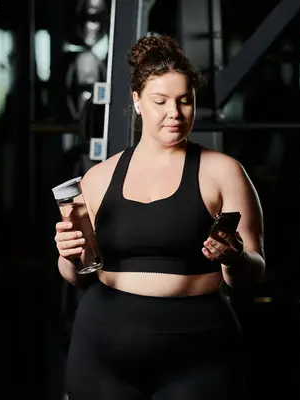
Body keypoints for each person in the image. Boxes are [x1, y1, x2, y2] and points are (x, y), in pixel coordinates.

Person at [54, 35, 265, 400]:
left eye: (185, 101)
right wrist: (68, 255)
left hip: (198, 348)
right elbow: (79, 275)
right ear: (137, 103)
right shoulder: (99, 177)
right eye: (160, 101)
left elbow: (251, 273)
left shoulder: (223, 172)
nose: (175, 113)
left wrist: (234, 256)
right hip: (104, 346)